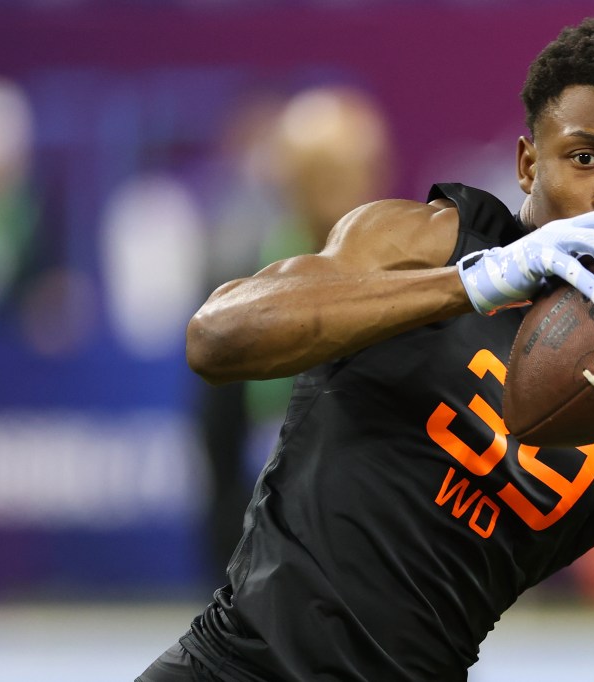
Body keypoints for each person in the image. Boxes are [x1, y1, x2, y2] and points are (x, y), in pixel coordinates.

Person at [138, 16, 594, 681]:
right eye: (585, 157)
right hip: (233, 666)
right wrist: (473, 283)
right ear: (528, 163)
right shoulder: (432, 241)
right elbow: (215, 339)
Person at [195, 86, 394, 578]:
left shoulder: (417, 276)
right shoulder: (240, 280)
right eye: (315, 174)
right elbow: (219, 439)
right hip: (267, 550)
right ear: (287, 178)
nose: (331, 191)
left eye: (343, 172)